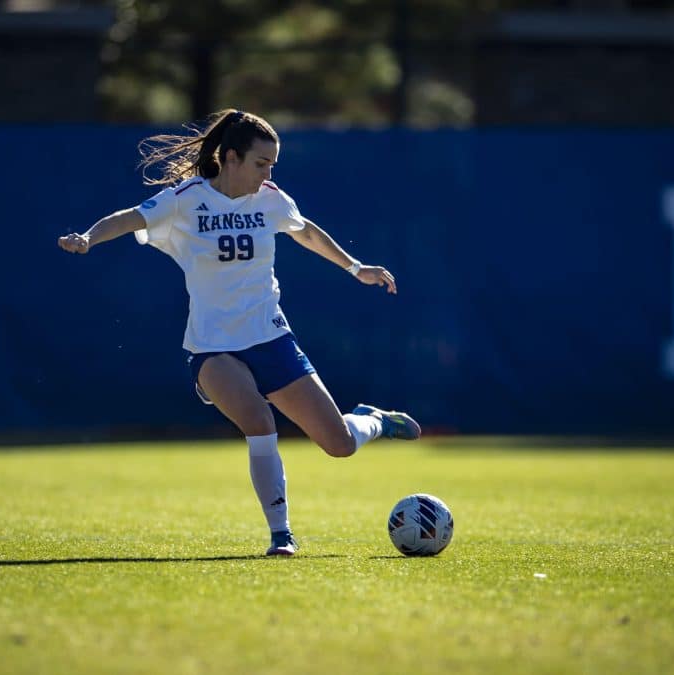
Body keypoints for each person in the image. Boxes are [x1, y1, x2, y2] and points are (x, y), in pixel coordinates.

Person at [58, 109, 421, 557]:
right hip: (212, 347)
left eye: (272, 164)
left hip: (270, 337)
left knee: (340, 445)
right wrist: (90, 238)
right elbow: (131, 218)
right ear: (231, 157)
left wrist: (355, 267)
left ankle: (375, 419)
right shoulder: (187, 199)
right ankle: (281, 534)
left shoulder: (270, 199)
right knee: (259, 421)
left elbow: (305, 231)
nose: (268, 173)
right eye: (260, 162)